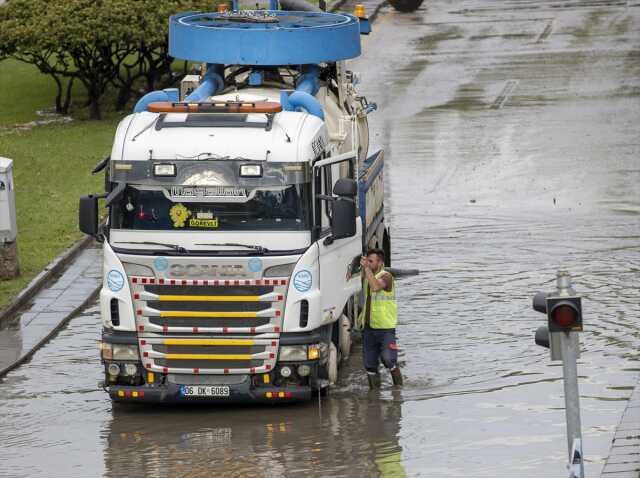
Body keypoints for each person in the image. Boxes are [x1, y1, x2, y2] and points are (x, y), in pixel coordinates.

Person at [358, 248, 403, 389]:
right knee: (370, 365)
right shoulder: (367, 275)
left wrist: (366, 270)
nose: (368, 264)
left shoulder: (387, 276)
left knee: (389, 359)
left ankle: (398, 391)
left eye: (371, 261)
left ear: (380, 262)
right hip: (369, 328)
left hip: (385, 328)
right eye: (367, 261)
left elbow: (376, 287)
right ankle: (374, 396)